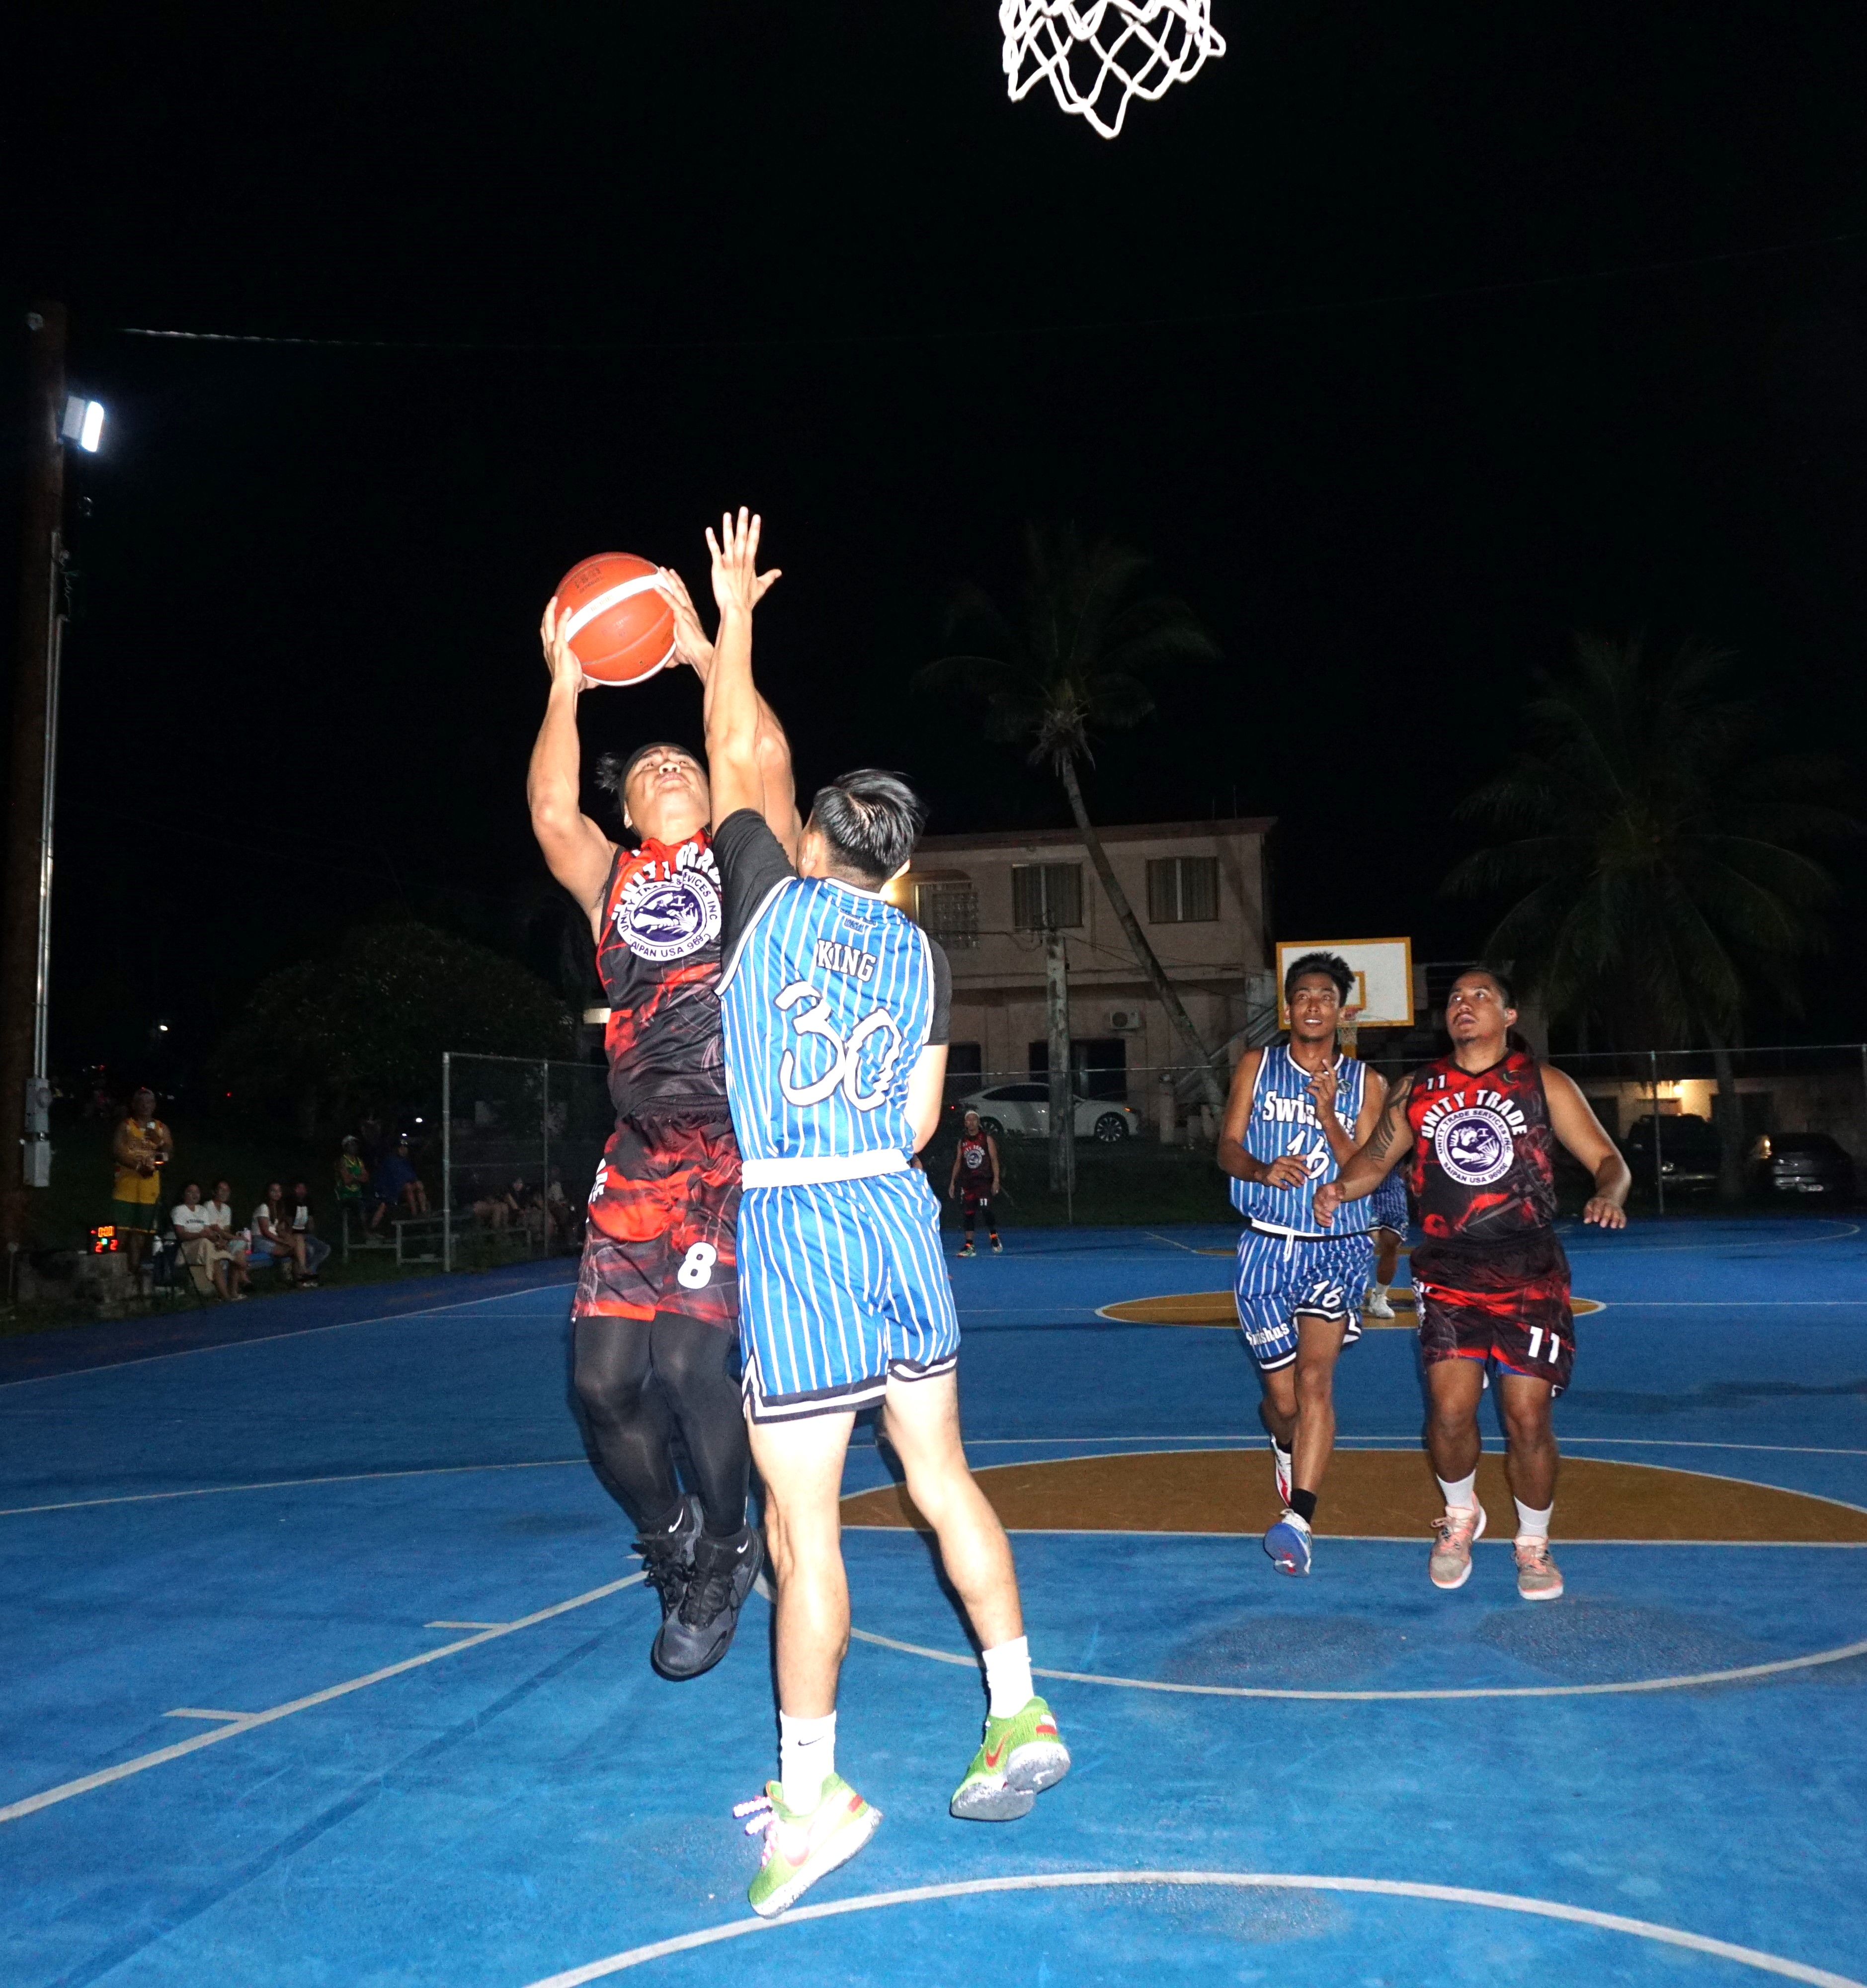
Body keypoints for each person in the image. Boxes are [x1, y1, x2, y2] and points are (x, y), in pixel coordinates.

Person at [697, 508, 1068, 1918]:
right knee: (939, 1479)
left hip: (796, 1232)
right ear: (899, 865)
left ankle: (815, 1793)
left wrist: (729, 616)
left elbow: (737, 742)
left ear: (805, 839)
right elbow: (922, 1125)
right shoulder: (917, 954)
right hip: (897, 1223)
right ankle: (1019, 1709)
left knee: (806, 1537)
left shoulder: (763, 904)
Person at [529, 533, 794, 1685]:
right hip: (636, 1159)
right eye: (645, 774)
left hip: (730, 1154)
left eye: (680, 764)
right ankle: (674, 1538)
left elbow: (764, 751)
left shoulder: (746, 866)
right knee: (599, 1385)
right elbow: (549, 808)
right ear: (631, 814)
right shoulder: (612, 880)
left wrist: (702, 648)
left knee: (690, 1366)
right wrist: (562, 683)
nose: (667, 773)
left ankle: (731, 1546)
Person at [1315, 967, 1630, 1602]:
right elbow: (1374, 1161)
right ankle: (1460, 1517)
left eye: (1481, 995)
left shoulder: (1542, 1083)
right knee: (1450, 1411)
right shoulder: (1418, 1089)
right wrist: (1337, 1187)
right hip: (1449, 1270)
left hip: (1529, 1270)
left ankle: (1533, 1543)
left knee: (1526, 1416)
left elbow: (1608, 1159)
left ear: (1509, 1016)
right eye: (1456, 997)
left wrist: (1609, 1192)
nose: (1464, 1004)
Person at [1217, 953, 1386, 1577]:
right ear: (1288, 1008)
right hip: (1265, 1245)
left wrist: (1326, 1116)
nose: (1314, 1004)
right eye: (1303, 995)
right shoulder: (1256, 1066)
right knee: (1281, 1402)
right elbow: (1227, 1147)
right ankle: (1284, 1443)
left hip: (1335, 1248)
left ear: (1342, 1010)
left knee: (1316, 1384)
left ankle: (1301, 1521)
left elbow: (1371, 1170)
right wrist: (1261, 1169)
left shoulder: (1368, 1083)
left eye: (1326, 995)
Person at [110, 1087, 173, 1278]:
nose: (145, 1106)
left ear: (154, 1106)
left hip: (149, 1189)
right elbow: (117, 1151)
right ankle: (114, 1269)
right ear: (134, 1105)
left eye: (149, 1103)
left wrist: (160, 1145)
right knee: (120, 1231)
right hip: (126, 1187)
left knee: (140, 1234)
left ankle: (134, 1268)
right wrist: (138, 1167)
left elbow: (169, 1154)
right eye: (142, 1102)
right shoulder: (126, 1126)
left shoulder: (161, 1129)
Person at [172, 1181, 244, 1300]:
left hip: (205, 1249)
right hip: (187, 1248)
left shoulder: (202, 1211)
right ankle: (229, 1258)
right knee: (205, 1243)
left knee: (211, 1251)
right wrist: (200, 1235)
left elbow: (209, 1232)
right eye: (190, 1192)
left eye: (197, 1192)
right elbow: (181, 1234)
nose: (194, 1195)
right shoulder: (179, 1210)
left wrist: (218, 1240)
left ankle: (225, 1297)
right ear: (183, 1194)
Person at [947, 1108, 1002, 1256]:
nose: (971, 1122)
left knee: (986, 1209)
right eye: (968, 1120)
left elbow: (994, 1159)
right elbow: (959, 1161)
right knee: (968, 1213)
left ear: (978, 1122)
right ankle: (970, 1246)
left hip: (984, 1181)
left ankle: (993, 1236)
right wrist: (953, 1182)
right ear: (966, 1123)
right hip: (968, 1182)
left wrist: (996, 1180)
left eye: (974, 1120)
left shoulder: (986, 1138)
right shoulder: (963, 1142)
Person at [1364, 1164, 1407, 1320]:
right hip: (1362, 1182)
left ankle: (1379, 1297)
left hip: (1392, 1183)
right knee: (1367, 1240)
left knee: (1393, 1240)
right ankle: (1353, 1293)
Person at [250, 1181, 309, 1284]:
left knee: (298, 1239)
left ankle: (302, 1273)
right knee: (295, 1250)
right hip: (261, 1240)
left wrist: (289, 1238)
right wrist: (284, 1242)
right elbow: (265, 1232)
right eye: (273, 1191)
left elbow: (280, 1230)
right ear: (268, 1193)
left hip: (274, 1238)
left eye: (279, 1191)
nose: (276, 1193)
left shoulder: (279, 1208)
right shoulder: (264, 1208)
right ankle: (300, 1277)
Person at [286, 1182, 331, 1283]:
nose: (302, 1191)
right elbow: (288, 1224)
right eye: (299, 1188)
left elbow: (311, 1221)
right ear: (294, 1190)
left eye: (304, 1188)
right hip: (294, 1235)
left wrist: (313, 1232)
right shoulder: (289, 1202)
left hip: (306, 1235)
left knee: (325, 1249)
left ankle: (308, 1271)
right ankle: (305, 1276)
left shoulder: (307, 1202)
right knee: (309, 1250)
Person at [334, 1137, 371, 1240]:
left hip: (358, 1194)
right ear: (346, 1147)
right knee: (359, 1205)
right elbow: (346, 1181)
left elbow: (366, 1178)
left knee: (373, 1203)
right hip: (344, 1195)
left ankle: (372, 1231)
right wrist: (358, 1177)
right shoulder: (342, 1161)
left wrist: (354, 1177)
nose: (355, 1147)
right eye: (351, 1145)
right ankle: (365, 1233)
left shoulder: (359, 1161)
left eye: (356, 1145)